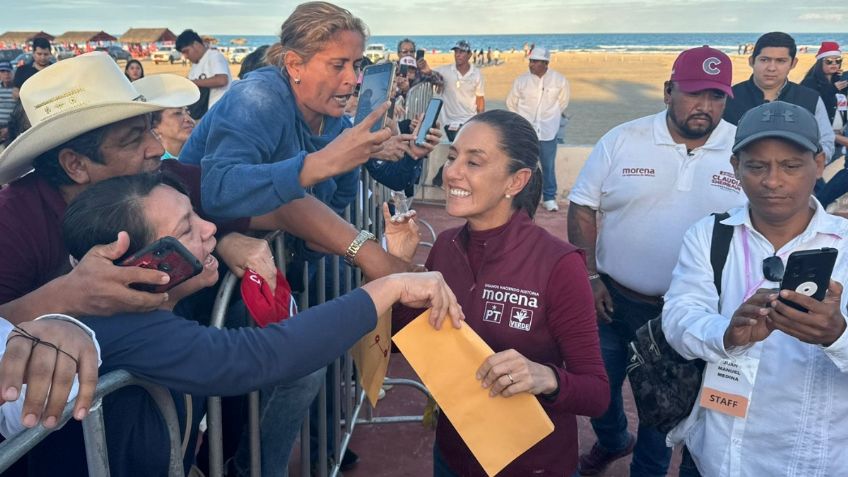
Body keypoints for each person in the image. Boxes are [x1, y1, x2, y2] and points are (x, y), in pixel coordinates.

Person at [26, 171, 462, 476]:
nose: (210, 228)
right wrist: (391, 286)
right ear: (142, 262)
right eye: (187, 228)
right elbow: (257, 357)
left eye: (197, 216)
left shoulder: (122, 317)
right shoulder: (123, 327)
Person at [386, 110, 609, 476]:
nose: (452, 172)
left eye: (474, 162)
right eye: (453, 156)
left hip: (533, 464)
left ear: (515, 181)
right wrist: (396, 268)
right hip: (453, 456)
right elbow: (401, 341)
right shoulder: (445, 246)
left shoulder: (558, 263)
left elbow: (597, 393)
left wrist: (545, 377)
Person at [567, 46, 747, 477]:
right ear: (668, 91)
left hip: (689, 315)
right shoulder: (622, 140)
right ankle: (612, 440)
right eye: (693, 94)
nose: (705, 107)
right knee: (598, 393)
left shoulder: (742, 150)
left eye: (717, 96)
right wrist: (590, 276)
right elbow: (581, 206)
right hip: (613, 300)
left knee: (662, 414)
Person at [663, 101, 848, 477]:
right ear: (735, 167)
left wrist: (837, 336)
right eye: (757, 166)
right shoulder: (709, 235)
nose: (773, 181)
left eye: (791, 166)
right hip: (717, 455)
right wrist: (725, 333)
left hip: (817, 460)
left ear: (819, 163)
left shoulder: (845, 244)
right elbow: (679, 316)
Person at [179, 1, 442, 219]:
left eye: (357, 65)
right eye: (338, 65)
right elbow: (218, 189)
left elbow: (342, 198)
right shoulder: (257, 98)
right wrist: (324, 162)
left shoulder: (334, 123)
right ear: (294, 65)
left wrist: (412, 154)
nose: (352, 78)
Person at [723, 32, 835, 160]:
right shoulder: (728, 97)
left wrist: (800, 166)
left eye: (781, 61)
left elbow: (827, 142)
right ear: (752, 61)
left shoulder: (810, 99)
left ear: (793, 63)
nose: (771, 68)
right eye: (764, 60)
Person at [506, 46, 570, 212]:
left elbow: (563, 102)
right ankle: (522, 198)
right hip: (526, 132)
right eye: (531, 61)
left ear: (545, 63)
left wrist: (550, 117)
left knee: (548, 165)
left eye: (535, 61)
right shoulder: (521, 81)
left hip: (548, 131)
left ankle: (549, 197)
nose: (531, 64)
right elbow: (511, 103)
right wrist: (521, 123)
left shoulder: (559, 80)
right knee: (523, 166)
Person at [801, 42, 848, 208]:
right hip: (821, 135)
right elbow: (812, 106)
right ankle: (818, 204)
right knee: (813, 171)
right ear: (820, 63)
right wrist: (832, 89)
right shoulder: (810, 83)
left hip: (839, 134)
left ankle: (817, 204)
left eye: (838, 61)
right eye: (829, 61)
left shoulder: (841, 82)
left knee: (814, 173)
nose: (834, 65)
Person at [427, 40, 485, 142]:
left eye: (461, 52)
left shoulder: (476, 74)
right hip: (450, 121)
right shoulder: (444, 71)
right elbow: (428, 73)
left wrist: (481, 121)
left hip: (470, 119)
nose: (458, 55)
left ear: (469, 55)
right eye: (456, 52)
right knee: (458, 144)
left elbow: (480, 98)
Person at [176, 29, 232, 112]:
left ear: (196, 45)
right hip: (202, 114)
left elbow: (222, 80)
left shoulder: (214, 56)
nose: (185, 56)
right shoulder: (195, 64)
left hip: (219, 112)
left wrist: (192, 82)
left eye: (186, 51)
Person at [0, 62, 14, 144]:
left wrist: (9, 128)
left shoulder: (17, 90)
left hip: (11, 128)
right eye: (3, 71)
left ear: (12, 73)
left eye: (8, 71)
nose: (6, 74)